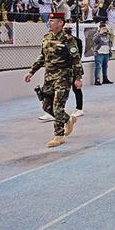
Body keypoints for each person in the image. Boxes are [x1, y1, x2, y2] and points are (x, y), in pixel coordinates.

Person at [23, 12, 84, 147]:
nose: (49, 23)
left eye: (52, 21)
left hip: (63, 77)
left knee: (57, 107)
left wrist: (78, 78)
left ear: (60, 23)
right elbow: (42, 58)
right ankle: (68, 119)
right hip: (49, 77)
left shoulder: (68, 39)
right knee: (46, 106)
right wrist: (31, 72)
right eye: (49, 21)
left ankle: (59, 136)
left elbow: (76, 60)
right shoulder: (46, 38)